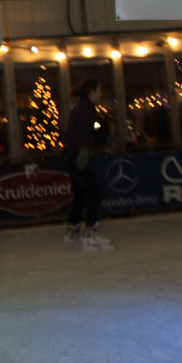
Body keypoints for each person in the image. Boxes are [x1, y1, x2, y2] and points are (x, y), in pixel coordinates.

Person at [63, 77, 114, 252]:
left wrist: (110, 139)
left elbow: (88, 132)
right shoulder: (87, 108)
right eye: (99, 90)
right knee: (95, 193)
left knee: (81, 193)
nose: (101, 94)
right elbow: (82, 131)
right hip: (77, 156)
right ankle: (90, 236)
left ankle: (72, 232)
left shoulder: (81, 106)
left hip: (71, 155)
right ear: (92, 92)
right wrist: (84, 150)